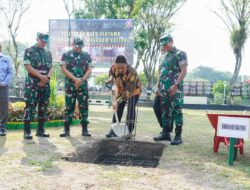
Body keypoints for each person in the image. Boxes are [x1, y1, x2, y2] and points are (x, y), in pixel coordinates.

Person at [153, 34, 188, 145]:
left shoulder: (180, 54)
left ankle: (178, 136)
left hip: (175, 88)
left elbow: (184, 70)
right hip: (163, 88)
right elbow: (160, 72)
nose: (165, 47)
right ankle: (166, 133)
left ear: (171, 41)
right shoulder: (162, 56)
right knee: (165, 111)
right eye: (163, 45)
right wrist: (158, 86)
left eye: (166, 44)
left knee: (176, 110)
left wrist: (176, 84)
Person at [22, 32, 53, 140]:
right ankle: (27, 131)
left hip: (45, 85)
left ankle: (40, 130)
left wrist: (46, 78)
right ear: (37, 39)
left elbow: (51, 68)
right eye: (42, 41)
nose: (44, 43)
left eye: (45, 42)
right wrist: (41, 77)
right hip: (33, 84)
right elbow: (28, 66)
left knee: (43, 107)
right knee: (30, 107)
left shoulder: (48, 53)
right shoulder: (29, 51)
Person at [60, 37, 92, 137]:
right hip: (70, 85)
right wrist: (75, 79)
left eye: (80, 47)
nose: (78, 48)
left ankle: (85, 130)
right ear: (73, 44)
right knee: (69, 106)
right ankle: (66, 130)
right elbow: (63, 69)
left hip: (82, 85)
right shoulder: (66, 55)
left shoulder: (86, 55)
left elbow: (89, 69)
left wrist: (81, 80)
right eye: (77, 46)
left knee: (84, 107)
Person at [105, 55, 141, 138]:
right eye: (118, 68)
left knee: (130, 108)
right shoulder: (113, 67)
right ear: (115, 65)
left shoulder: (132, 72)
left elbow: (129, 92)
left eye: (123, 68)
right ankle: (114, 129)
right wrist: (111, 78)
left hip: (133, 91)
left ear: (126, 65)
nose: (120, 70)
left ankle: (129, 130)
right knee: (118, 108)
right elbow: (112, 74)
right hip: (121, 90)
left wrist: (117, 102)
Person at [0, 42, 13, 136]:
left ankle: (2, 128)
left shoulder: (6, 59)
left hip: (3, 86)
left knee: (4, 108)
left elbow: (10, 72)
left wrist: (4, 82)